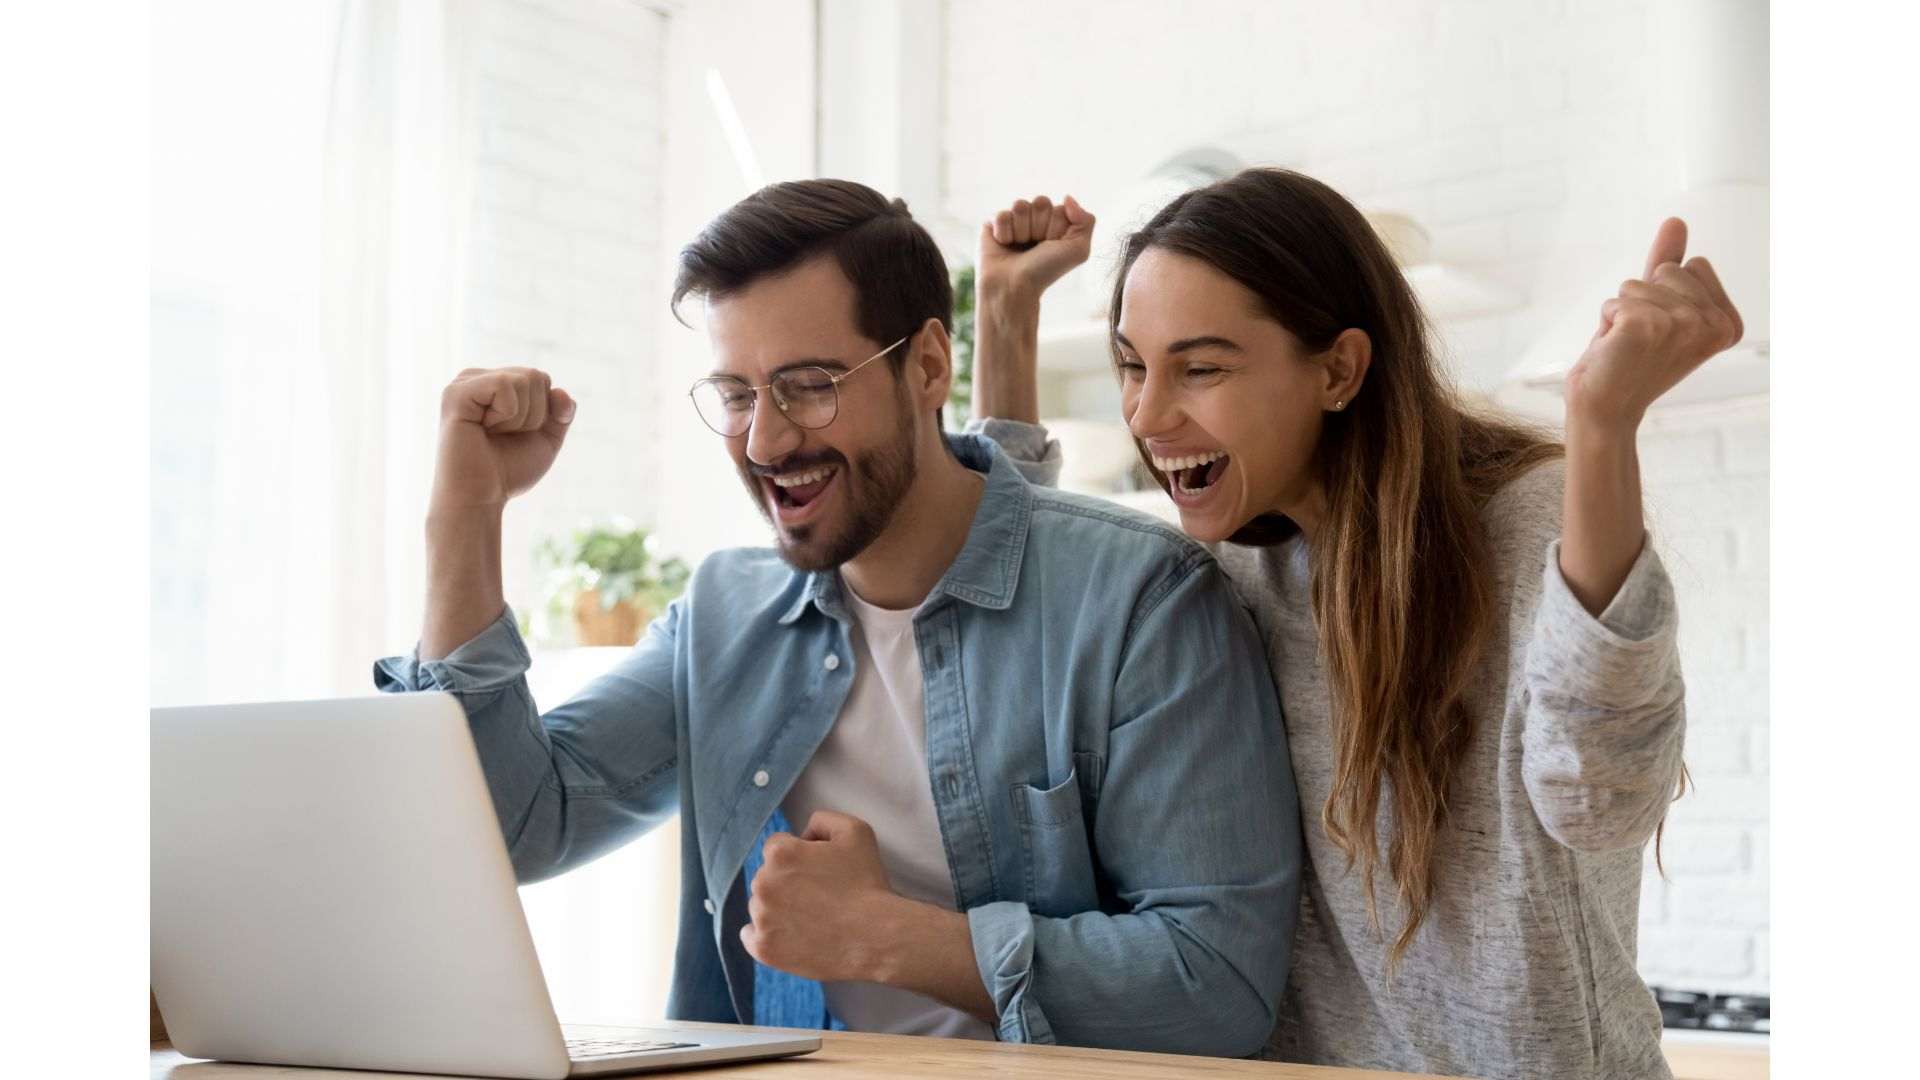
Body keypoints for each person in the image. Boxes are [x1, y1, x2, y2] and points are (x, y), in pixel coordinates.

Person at [373, 178, 1302, 1057]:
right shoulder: (726, 617)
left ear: (930, 365)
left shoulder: (1141, 600)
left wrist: (889, 939)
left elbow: (1217, 987)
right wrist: (467, 514)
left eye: (810, 384)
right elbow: (517, 828)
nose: (767, 442)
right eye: (737, 395)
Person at [971, 169, 1742, 1079]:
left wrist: (1605, 424)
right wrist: (1005, 311)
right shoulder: (1226, 576)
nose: (1146, 413)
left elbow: (1600, 799)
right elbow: (1023, 591)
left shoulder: (1525, 521)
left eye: (1201, 367)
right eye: (1134, 366)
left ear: (1338, 369)